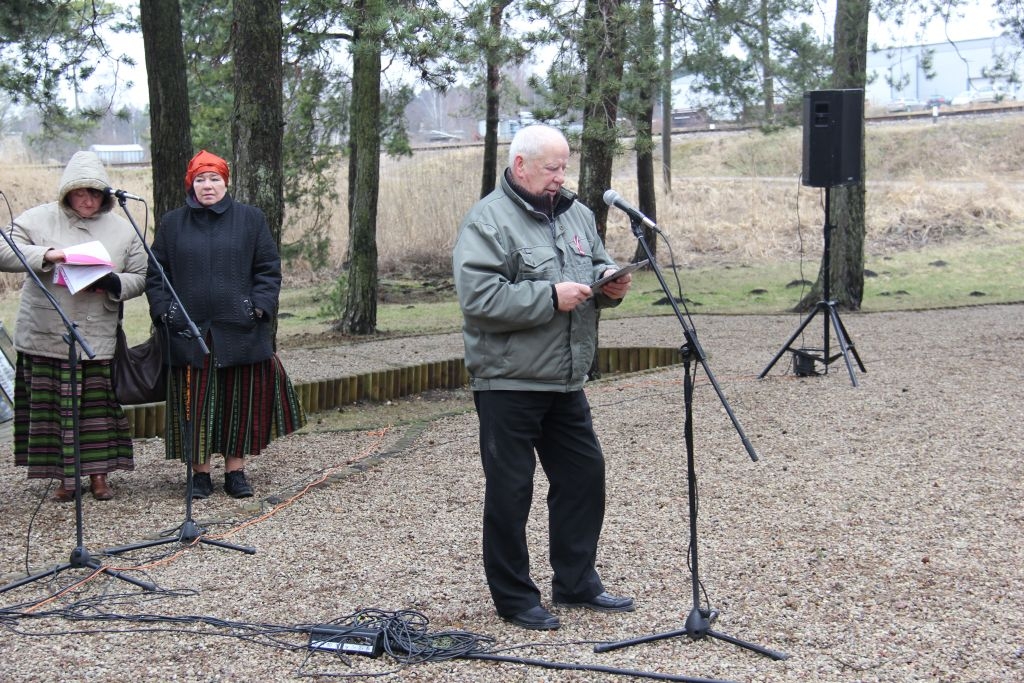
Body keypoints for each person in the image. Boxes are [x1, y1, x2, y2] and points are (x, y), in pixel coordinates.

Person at [452, 124, 635, 631]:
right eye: (552, 167)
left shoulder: (576, 214)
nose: (561, 176)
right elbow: (479, 299)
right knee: (511, 492)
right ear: (521, 166)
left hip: (565, 379)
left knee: (583, 476)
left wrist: (610, 284)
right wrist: (548, 297)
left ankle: (576, 583)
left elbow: (595, 265)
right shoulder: (487, 221)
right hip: (508, 381)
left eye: (564, 166)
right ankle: (514, 598)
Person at [146, 150, 305, 500]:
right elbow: (157, 275)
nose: (208, 186)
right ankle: (200, 475)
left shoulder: (250, 219)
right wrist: (167, 314)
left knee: (238, 404)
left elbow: (268, 269)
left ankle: (236, 472)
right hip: (190, 331)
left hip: (240, 329)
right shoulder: (173, 223)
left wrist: (257, 308)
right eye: (200, 179)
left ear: (225, 182)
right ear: (191, 184)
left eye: (214, 178)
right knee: (196, 405)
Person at [0, 151, 148, 501]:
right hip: (47, 332)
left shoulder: (123, 229)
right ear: (67, 192)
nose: (87, 199)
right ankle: (65, 480)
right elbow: (4, 250)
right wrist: (47, 255)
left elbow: (141, 276)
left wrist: (113, 283)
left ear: (105, 196)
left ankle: (99, 477)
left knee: (97, 412)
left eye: (95, 193)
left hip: (95, 333)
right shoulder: (37, 219)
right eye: (80, 192)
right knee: (55, 412)